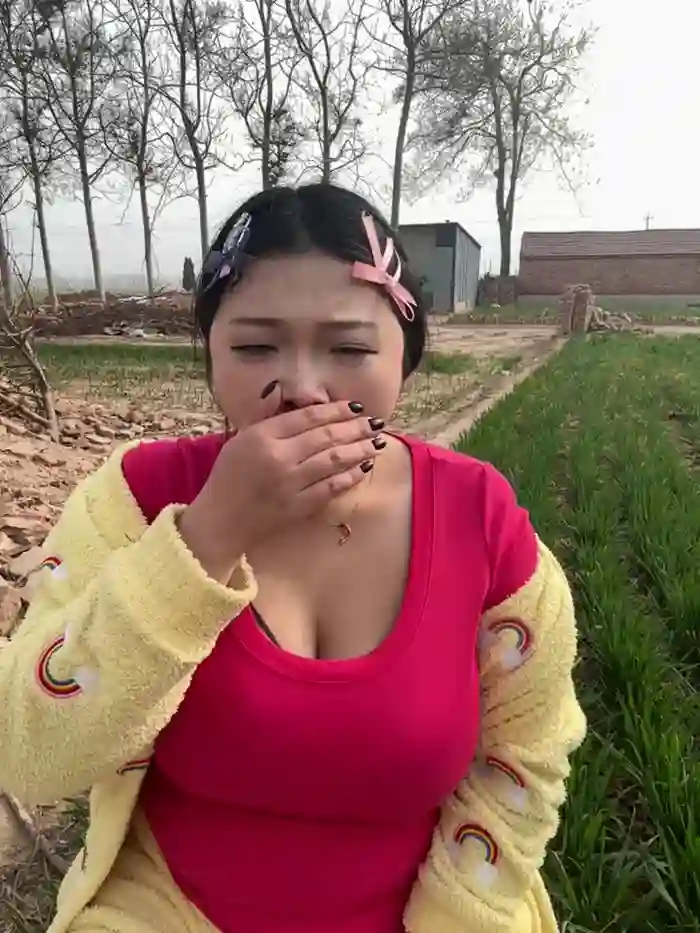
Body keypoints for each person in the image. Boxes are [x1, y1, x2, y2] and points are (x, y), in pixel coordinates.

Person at [0, 182, 586, 933]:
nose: (303, 389)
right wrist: (207, 537)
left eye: (350, 349)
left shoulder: (481, 519)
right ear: (209, 354)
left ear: (405, 360)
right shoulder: (138, 500)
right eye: (255, 347)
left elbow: (528, 753)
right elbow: (29, 755)